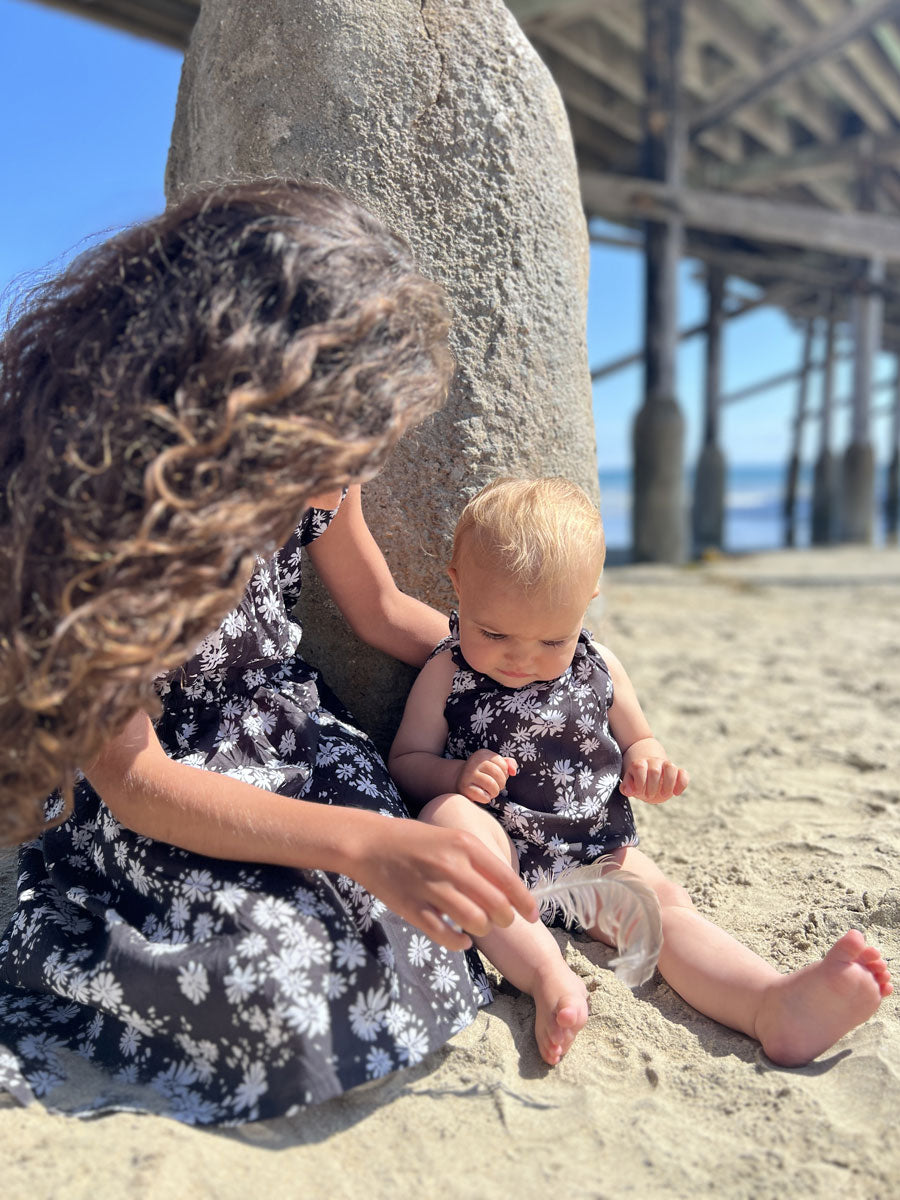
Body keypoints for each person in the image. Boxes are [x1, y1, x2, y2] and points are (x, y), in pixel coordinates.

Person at [0, 180, 537, 1125]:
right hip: (162, 792)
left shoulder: (317, 479)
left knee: (401, 929)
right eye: (345, 441)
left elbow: (377, 609)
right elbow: (135, 781)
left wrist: (514, 664)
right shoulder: (97, 514)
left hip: (287, 739)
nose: (356, 472)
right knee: (272, 987)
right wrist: (371, 842)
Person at [388, 477, 893, 1067]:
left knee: (665, 911)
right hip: (499, 848)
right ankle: (549, 974)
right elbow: (406, 764)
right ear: (457, 586)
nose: (520, 658)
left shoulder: (600, 666)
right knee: (446, 820)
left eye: (552, 639)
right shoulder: (447, 671)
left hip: (589, 853)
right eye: (493, 633)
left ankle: (771, 1004)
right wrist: (453, 778)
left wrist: (649, 763)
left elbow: (640, 738)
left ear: (588, 601)